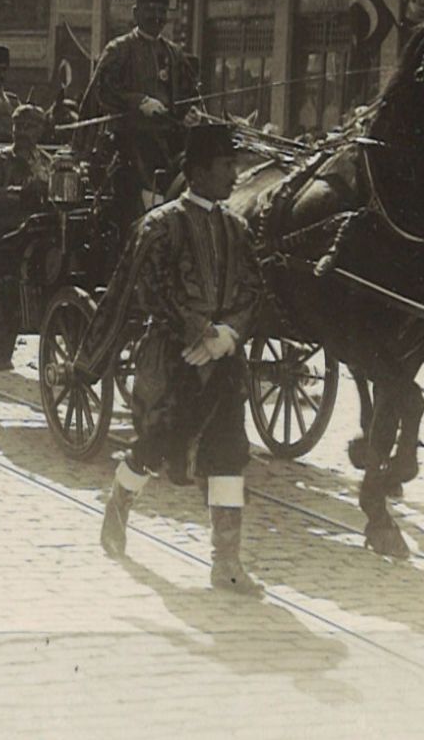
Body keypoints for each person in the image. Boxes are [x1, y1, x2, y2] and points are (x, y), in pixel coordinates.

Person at [97, 120, 273, 596]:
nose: (235, 175)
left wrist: (229, 335)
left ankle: (227, 563)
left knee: (228, 452)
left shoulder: (237, 227)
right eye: (225, 166)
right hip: (174, 360)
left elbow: (254, 289)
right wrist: (199, 332)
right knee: (155, 445)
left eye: (235, 164)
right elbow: (153, 288)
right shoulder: (161, 225)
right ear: (196, 171)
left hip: (224, 361)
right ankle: (118, 504)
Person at [80, 0, 199, 204]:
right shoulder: (119, 49)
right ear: (136, 13)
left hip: (171, 140)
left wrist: (191, 113)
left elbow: (189, 94)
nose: (156, 17)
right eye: (150, 10)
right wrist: (139, 101)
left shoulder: (175, 53)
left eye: (161, 11)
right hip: (129, 142)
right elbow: (102, 90)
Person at [0, 103, 53, 369]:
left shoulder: (48, 163)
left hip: (43, 232)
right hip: (7, 234)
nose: (22, 132)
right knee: (6, 274)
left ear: (40, 131)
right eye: (19, 126)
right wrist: (17, 194)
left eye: (30, 127)